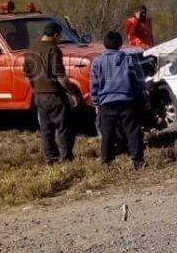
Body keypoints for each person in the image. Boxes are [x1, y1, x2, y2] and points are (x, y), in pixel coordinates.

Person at [90, 31, 149, 170]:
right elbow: (139, 81)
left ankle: (107, 162)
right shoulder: (129, 59)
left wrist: (96, 102)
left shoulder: (97, 62)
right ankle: (137, 160)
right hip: (127, 101)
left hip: (107, 102)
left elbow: (94, 84)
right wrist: (143, 97)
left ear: (104, 44)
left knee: (107, 133)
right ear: (120, 44)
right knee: (133, 131)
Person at [22, 22, 78, 164]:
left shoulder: (31, 49)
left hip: (39, 96)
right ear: (55, 35)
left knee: (46, 129)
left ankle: (50, 158)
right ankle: (66, 158)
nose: (59, 39)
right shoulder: (54, 49)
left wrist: (36, 89)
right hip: (54, 95)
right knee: (63, 127)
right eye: (59, 37)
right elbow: (60, 75)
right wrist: (72, 93)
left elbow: (26, 76)